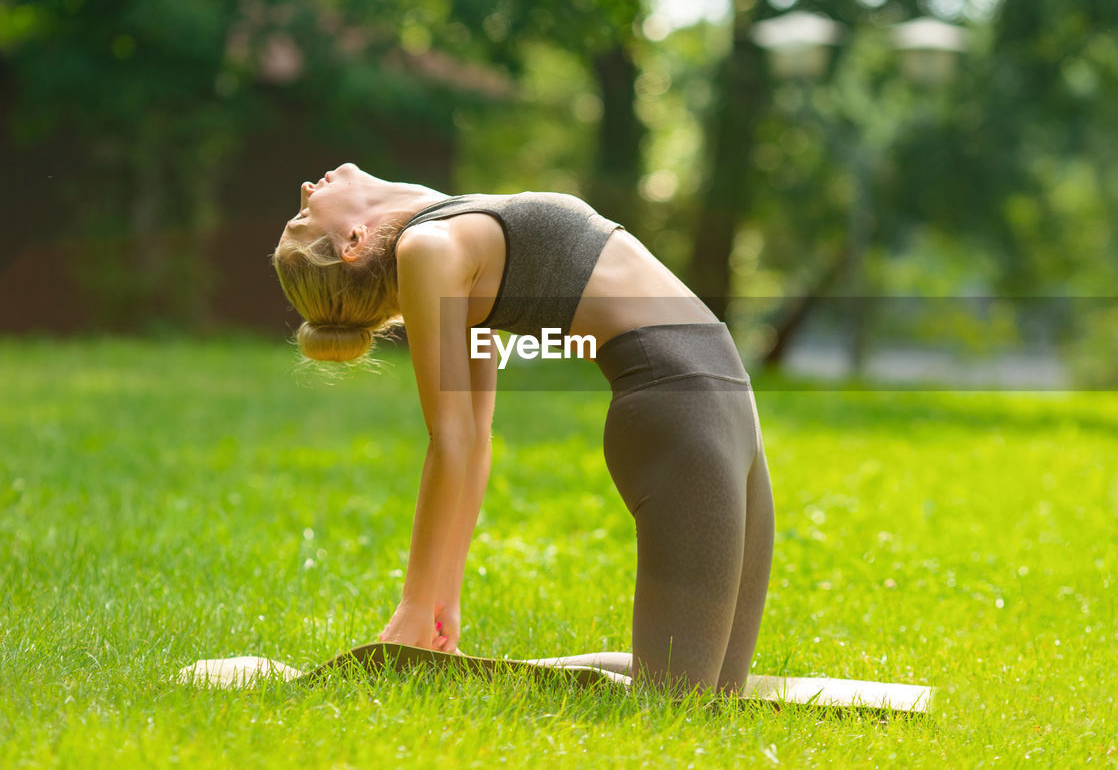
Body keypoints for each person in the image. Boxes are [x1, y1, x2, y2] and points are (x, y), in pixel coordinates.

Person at [271, 162, 774, 695]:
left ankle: (460, 674)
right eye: (303, 217)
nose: (306, 188)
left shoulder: (452, 229)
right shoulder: (428, 249)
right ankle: (435, 677)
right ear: (353, 241)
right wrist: (420, 605)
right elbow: (453, 439)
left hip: (729, 404)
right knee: (680, 706)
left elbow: (477, 439)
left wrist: (447, 602)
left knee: (718, 694)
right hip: (679, 413)